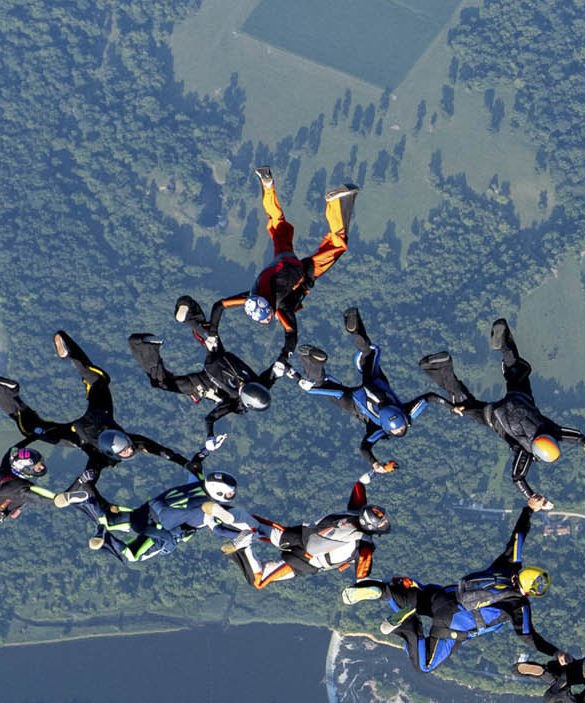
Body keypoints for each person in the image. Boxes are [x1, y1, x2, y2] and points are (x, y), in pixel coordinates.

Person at [419, 319, 585, 508]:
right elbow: (517, 478)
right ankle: (439, 367)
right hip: (492, 416)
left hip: (518, 398)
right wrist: (534, 498)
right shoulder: (526, 451)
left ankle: (503, 343)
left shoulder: (551, 430)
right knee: (462, 405)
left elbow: (580, 438)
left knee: (516, 371)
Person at [345, 506, 548, 672]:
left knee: (394, 592)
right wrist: (556, 654)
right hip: (451, 625)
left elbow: (518, 537)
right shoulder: (519, 605)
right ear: (530, 592)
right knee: (424, 665)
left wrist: (529, 509)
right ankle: (406, 625)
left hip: (440, 596)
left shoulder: (506, 568)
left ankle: (380, 592)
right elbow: (528, 636)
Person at [0, 330, 187, 486]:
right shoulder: (135, 443)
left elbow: (90, 477)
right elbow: (160, 450)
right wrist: (184, 462)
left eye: (124, 451)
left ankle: (0, 388)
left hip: (76, 434)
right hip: (96, 418)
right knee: (98, 380)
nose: (128, 449)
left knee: (31, 426)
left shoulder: (101, 458)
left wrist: (77, 491)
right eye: (129, 448)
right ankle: (68, 349)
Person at [217, 167, 355, 364]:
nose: (266, 321)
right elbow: (221, 304)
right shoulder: (255, 294)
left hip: (305, 272)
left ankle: (334, 203)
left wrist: (284, 357)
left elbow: (291, 334)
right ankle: (267, 185)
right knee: (276, 222)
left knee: (338, 244)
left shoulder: (281, 309)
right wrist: (212, 328)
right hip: (283, 260)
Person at [128, 298, 282, 450]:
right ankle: (143, 344)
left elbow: (276, 370)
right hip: (204, 383)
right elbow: (210, 418)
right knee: (161, 383)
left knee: (209, 336)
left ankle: (188, 310)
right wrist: (210, 437)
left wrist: (290, 372)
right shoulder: (235, 401)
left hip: (216, 361)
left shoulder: (259, 384)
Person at [293, 306, 431, 473]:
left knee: (368, 354)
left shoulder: (406, 413)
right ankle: (310, 359)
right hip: (353, 403)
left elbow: (429, 397)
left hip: (372, 386)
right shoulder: (381, 429)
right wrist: (375, 464)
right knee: (320, 385)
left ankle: (355, 329)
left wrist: (452, 406)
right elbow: (364, 448)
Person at [230, 473, 388, 588]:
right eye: (380, 521)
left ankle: (226, 513)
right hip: (307, 561)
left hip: (300, 535)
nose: (384, 522)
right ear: (370, 525)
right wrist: (373, 587)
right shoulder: (364, 543)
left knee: (257, 527)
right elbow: (362, 575)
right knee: (258, 581)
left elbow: (359, 484)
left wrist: (375, 471)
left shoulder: (355, 511)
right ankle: (245, 547)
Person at [79, 468, 245, 564]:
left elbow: (193, 466)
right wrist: (244, 535)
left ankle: (88, 500)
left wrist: (205, 451)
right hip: (164, 533)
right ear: (219, 492)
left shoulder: (197, 485)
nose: (232, 495)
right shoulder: (212, 510)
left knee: (110, 520)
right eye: (230, 493)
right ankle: (107, 538)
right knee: (132, 555)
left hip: (149, 512)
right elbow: (221, 530)